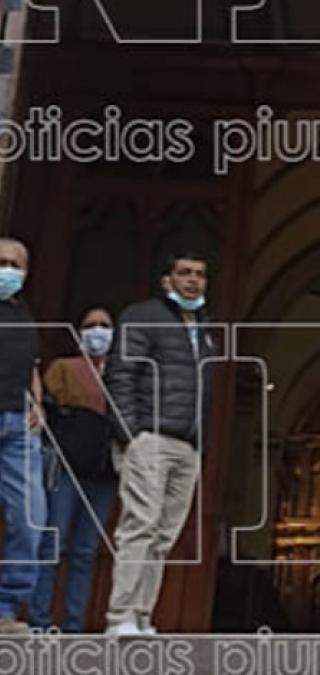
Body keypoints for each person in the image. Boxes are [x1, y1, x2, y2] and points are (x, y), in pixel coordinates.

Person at [105, 252, 215, 636]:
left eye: (200, 275)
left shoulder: (203, 328)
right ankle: (120, 617)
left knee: (164, 536)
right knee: (140, 526)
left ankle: (141, 616)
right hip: (150, 439)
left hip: (188, 446)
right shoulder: (143, 315)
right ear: (167, 279)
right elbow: (121, 375)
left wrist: (201, 444)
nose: (193, 281)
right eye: (184, 273)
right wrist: (131, 436)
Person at [30, 306, 119, 633]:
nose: (97, 331)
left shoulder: (121, 374)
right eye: (90, 325)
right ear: (79, 331)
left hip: (104, 475)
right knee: (52, 545)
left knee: (85, 552)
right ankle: (39, 621)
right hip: (67, 469)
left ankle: (73, 627)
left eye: (104, 325)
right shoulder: (64, 368)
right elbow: (47, 409)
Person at [0, 237, 47, 635]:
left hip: (18, 425)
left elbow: (31, 363)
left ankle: (5, 610)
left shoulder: (24, 313)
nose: (7, 270)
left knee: (31, 517)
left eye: (15, 264)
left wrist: (38, 402)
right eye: (0, 262)